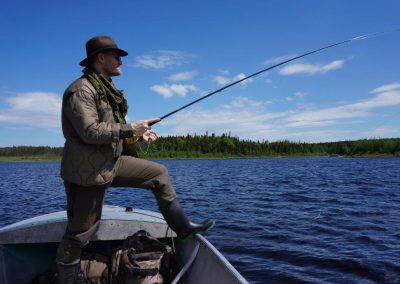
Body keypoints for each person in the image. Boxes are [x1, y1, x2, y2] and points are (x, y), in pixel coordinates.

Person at [56, 35, 214, 284]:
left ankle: (183, 228)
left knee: (158, 173)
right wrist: (131, 128)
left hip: (110, 163)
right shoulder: (81, 90)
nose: (121, 61)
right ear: (101, 58)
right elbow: (89, 132)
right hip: (88, 172)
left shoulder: (105, 89)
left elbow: (112, 131)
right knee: (78, 235)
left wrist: (139, 134)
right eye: (117, 56)